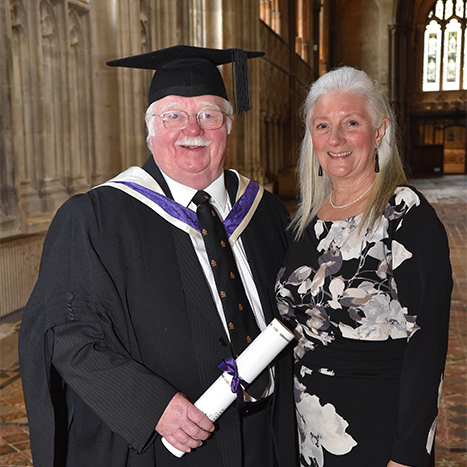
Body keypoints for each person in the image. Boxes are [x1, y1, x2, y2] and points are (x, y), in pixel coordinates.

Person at [19, 45, 297, 467]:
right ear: (149, 129)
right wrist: (154, 407)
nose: (192, 129)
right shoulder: (94, 219)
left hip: (264, 440)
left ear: (229, 125)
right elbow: (66, 333)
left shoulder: (267, 213)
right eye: (173, 116)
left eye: (209, 114)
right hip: (160, 448)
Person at [275, 66, 452, 467]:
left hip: (378, 429)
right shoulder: (305, 222)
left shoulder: (404, 213)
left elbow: (427, 346)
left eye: (350, 123)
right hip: (307, 426)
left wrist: (407, 454)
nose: (335, 139)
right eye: (322, 126)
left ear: (379, 132)